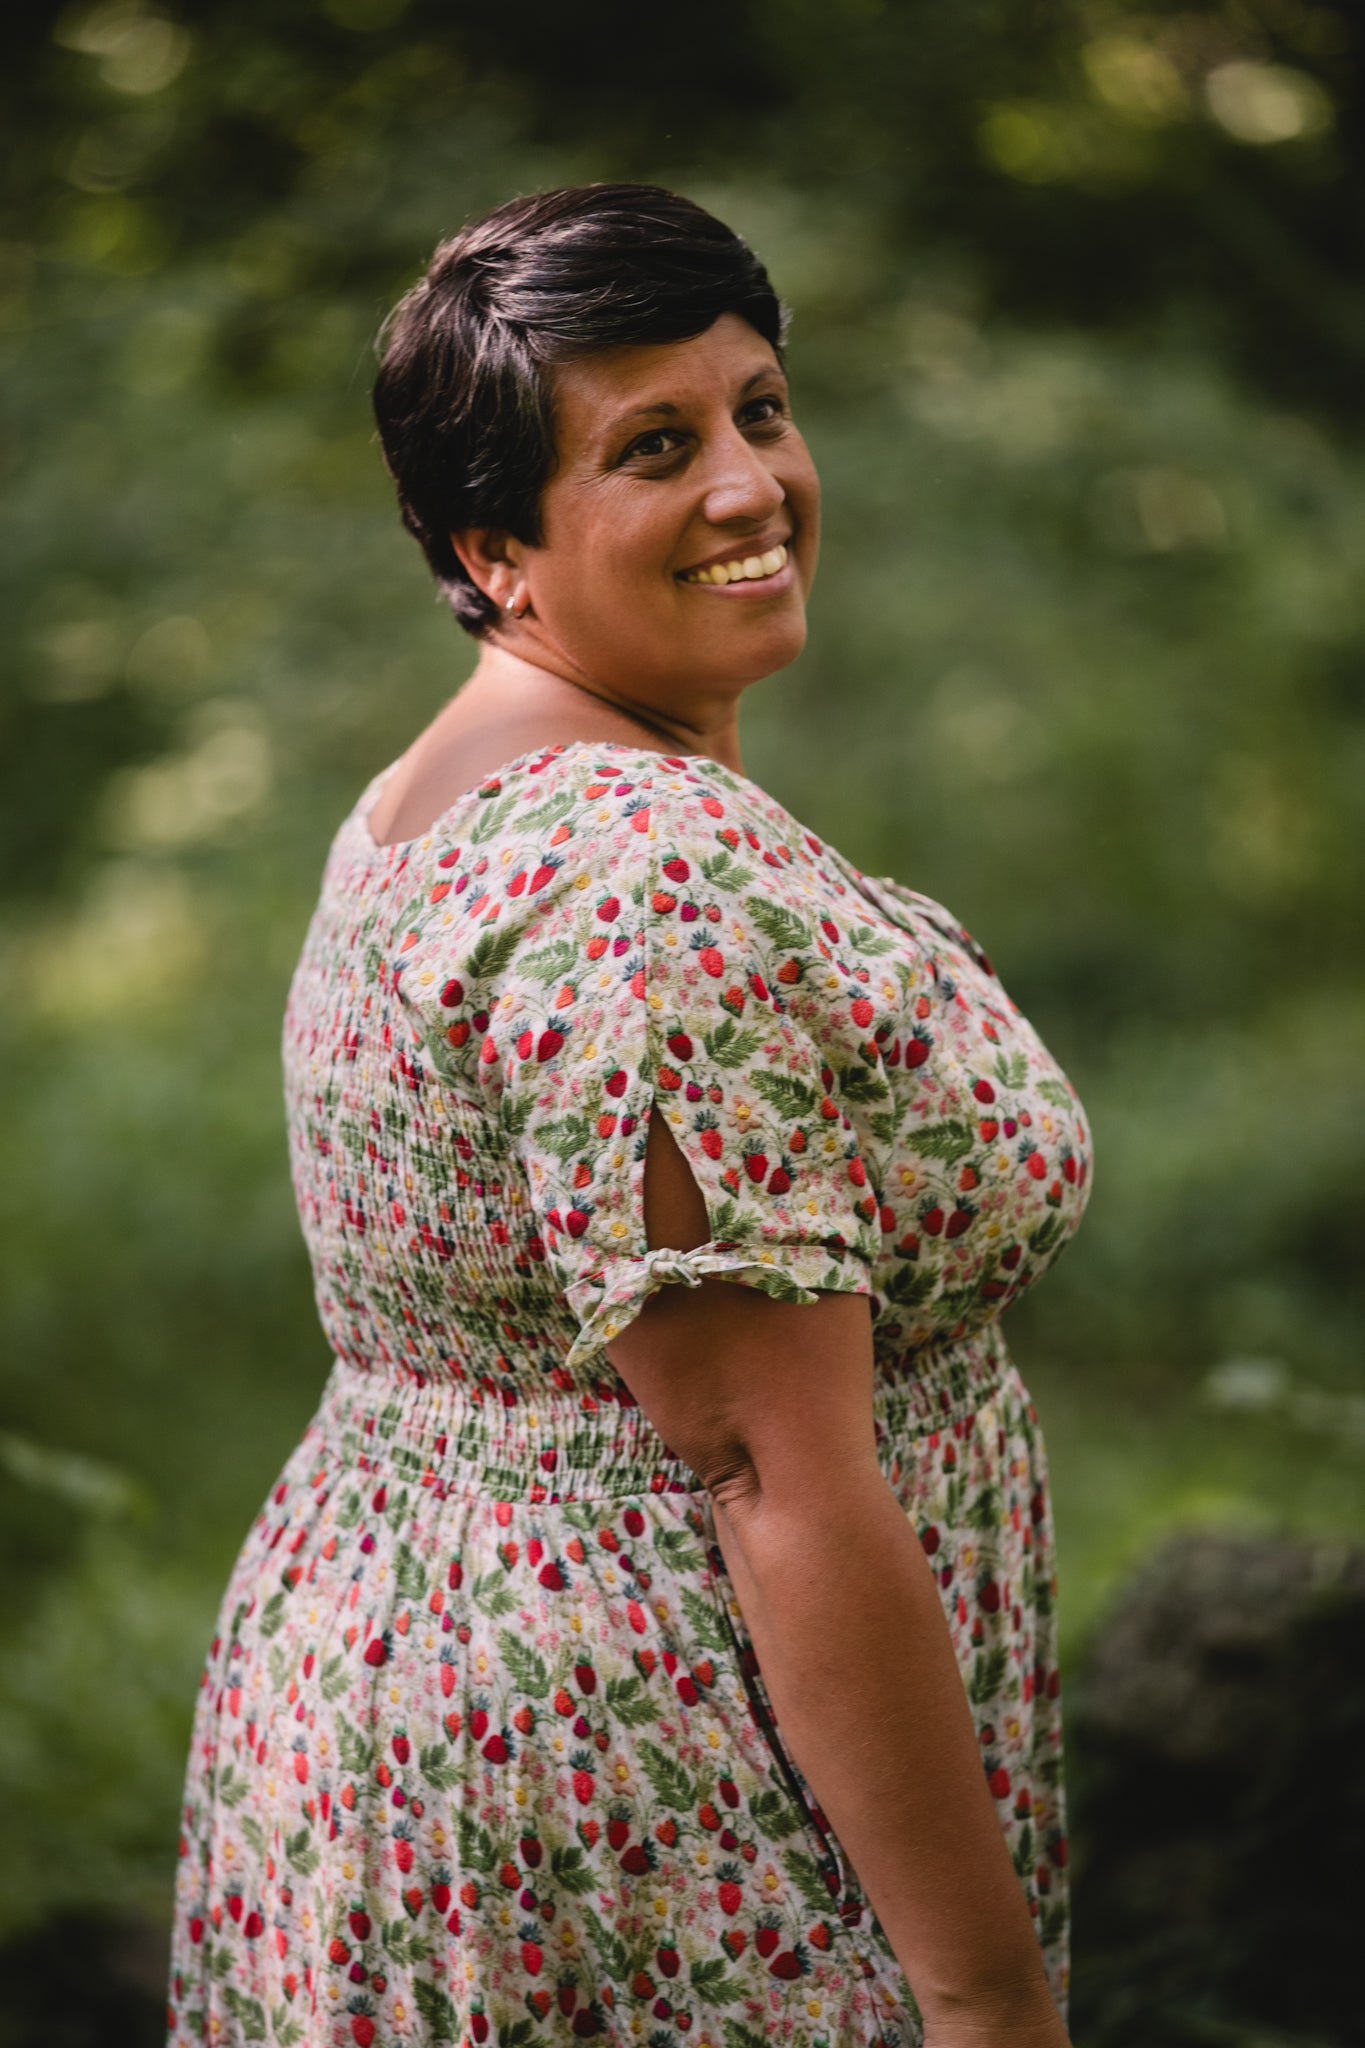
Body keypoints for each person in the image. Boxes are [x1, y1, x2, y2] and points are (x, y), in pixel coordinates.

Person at [167, 183, 1091, 2048]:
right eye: (654, 448)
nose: (750, 485)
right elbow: (770, 1470)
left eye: (759, 406)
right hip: (657, 1773)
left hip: (416, 1689)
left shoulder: (469, 778)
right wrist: (985, 1999)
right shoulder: (631, 880)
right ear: (489, 543)